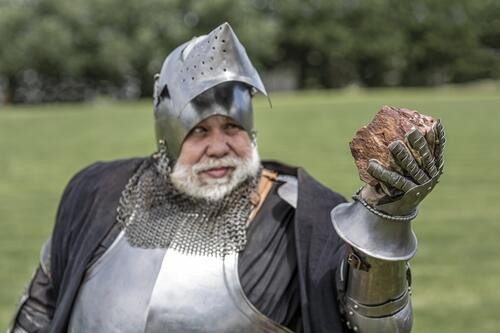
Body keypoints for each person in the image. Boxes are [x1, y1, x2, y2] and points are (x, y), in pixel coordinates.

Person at [8, 22, 445, 333]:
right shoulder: (97, 193)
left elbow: (379, 327)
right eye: (200, 131)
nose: (219, 146)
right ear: (168, 139)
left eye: (232, 128)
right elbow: (38, 313)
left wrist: (385, 218)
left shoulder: (302, 221)